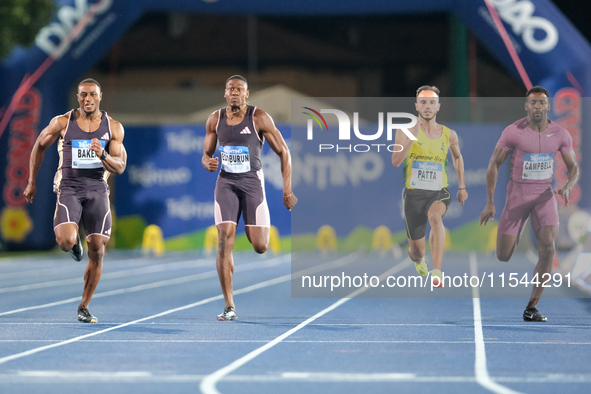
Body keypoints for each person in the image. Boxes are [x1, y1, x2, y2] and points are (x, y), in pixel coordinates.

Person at [24, 78, 127, 323]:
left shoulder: (113, 127)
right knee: (65, 240)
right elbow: (39, 145)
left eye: (92, 94)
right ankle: (74, 243)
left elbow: (120, 167)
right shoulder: (63, 122)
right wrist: (31, 181)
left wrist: (102, 154)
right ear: (78, 97)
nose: (87, 99)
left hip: (97, 189)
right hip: (69, 186)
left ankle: (84, 305)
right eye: (83, 95)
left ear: (100, 96)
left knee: (98, 250)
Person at [479, 86, 579, 322]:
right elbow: (494, 164)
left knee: (547, 249)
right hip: (517, 197)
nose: (537, 107)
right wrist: (490, 203)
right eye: (532, 103)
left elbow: (573, 167)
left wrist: (567, 187)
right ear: (526, 106)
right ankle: (516, 232)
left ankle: (531, 307)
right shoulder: (513, 132)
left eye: (541, 103)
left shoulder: (561, 134)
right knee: (503, 255)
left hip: (544, 196)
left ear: (547, 106)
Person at [202, 75, 297, 321]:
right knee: (224, 240)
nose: (235, 92)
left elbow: (284, 152)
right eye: (230, 89)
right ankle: (229, 305)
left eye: (239, 89)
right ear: (225, 93)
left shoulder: (259, 118)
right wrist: (207, 162)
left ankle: (234, 249)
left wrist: (287, 190)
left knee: (260, 246)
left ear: (247, 94)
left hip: (253, 183)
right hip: (226, 183)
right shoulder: (215, 119)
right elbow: (206, 153)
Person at [392, 85, 468, 285]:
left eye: (432, 102)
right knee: (417, 252)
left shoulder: (449, 134)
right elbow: (396, 161)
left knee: (435, 217)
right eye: (423, 102)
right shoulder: (404, 131)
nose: (427, 106)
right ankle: (418, 259)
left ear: (438, 107)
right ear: (416, 105)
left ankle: (437, 271)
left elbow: (458, 158)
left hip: (439, 191)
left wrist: (462, 187)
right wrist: (412, 136)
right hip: (414, 194)